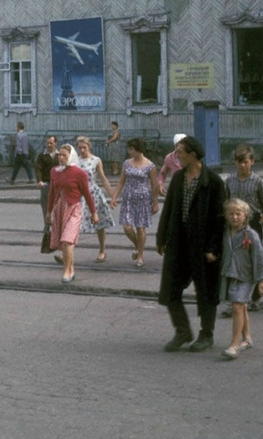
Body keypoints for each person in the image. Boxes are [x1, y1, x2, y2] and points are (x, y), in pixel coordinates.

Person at [156, 135, 227, 353]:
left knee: (205, 290)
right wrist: (161, 237)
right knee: (170, 289)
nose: (176, 156)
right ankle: (183, 331)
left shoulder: (212, 181)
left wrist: (213, 248)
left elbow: (219, 219)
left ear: (192, 154)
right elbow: (169, 209)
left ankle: (206, 335)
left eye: (180, 152)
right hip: (179, 241)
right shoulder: (178, 178)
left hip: (204, 245)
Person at [222, 144, 263, 315]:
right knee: (233, 261)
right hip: (234, 226)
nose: (242, 165)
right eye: (238, 162)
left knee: (253, 260)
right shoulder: (230, 180)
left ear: (252, 162)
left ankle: (255, 298)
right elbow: (225, 202)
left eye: (245, 162)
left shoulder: (259, 182)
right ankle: (235, 300)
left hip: (252, 226)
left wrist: (262, 222)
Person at [219, 199, 263, 359]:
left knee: (236, 307)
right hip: (230, 274)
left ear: (245, 215)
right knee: (242, 307)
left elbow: (259, 258)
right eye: (231, 214)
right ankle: (247, 338)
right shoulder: (225, 232)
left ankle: (234, 344)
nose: (234, 217)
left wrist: (262, 281)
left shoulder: (251, 235)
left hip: (246, 276)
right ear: (226, 216)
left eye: (238, 214)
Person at [45, 144, 97, 283]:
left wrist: (93, 213)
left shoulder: (79, 173)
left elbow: (87, 194)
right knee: (64, 245)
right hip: (59, 209)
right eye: (59, 155)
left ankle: (66, 271)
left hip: (74, 209)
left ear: (71, 156)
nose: (61, 158)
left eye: (64, 155)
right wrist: (48, 212)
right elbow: (51, 193)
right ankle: (71, 269)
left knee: (67, 241)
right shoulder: (54, 171)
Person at [111, 137, 159, 269]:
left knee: (140, 227)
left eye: (131, 149)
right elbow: (121, 181)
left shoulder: (150, 165)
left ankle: (140, 255)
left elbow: (154, 185)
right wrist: (114, 197)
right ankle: (139, 246)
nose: (129, 151)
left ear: (139, 150)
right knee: (127, 227)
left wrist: (155, 202)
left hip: (143, 198)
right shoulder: (126, 163)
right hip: (129, 197)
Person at [75, 135, 115, 263]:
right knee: (74, 224)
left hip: (93, 193)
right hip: (79, 195)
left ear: (89, 147)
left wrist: (112, 195)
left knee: (99, 224)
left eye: (84, 148)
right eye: (79, 148)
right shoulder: (75, 161)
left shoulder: (96, 160)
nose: (82, 150)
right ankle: (66, 252)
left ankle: (102, 250)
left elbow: (103, 178)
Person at [34, 135, 62, 264]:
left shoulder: (59, 155)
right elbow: (38, 168)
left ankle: (56, 226)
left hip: (58, 185)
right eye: (47, 143)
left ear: (56, 143)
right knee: (46, 206)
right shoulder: (42, 156)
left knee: (58, 206)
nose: (49, 145)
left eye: (51, 143)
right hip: (46, 184)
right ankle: (47, 227)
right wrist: (39, 181)